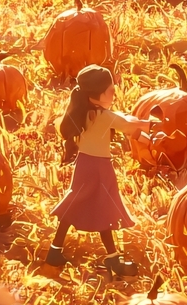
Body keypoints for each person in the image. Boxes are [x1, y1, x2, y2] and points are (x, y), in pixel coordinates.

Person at [47, 64, 152, 277]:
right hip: (98, 167)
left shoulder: (84, 111)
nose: (114, 93)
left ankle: (55, 251)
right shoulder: (103, 116)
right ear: (100, 93)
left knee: (83, 205)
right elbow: (128, 126)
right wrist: (154, 127)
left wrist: (144, 134)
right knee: (104, 208)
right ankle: (112, 259)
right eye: (111, 90)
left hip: (85, 164)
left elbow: (125, 123)